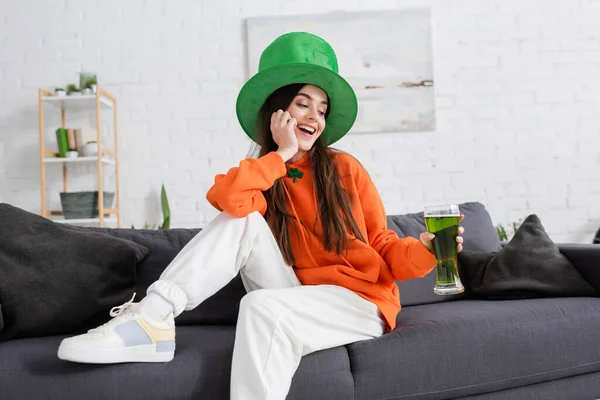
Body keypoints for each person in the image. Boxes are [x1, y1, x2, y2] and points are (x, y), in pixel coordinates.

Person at [57, 32, 465, 399]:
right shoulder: (264, 173)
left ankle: (152, 323)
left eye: (321, 109)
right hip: (299, 294)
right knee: (245, 218)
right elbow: (229, 201)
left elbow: (383, 244)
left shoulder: (345, 169)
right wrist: (281, 155)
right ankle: (152, 320)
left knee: (259, 307)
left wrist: (427, 250)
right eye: (302, 104)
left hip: (359, 301)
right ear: (277, 114)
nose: (314, 117)